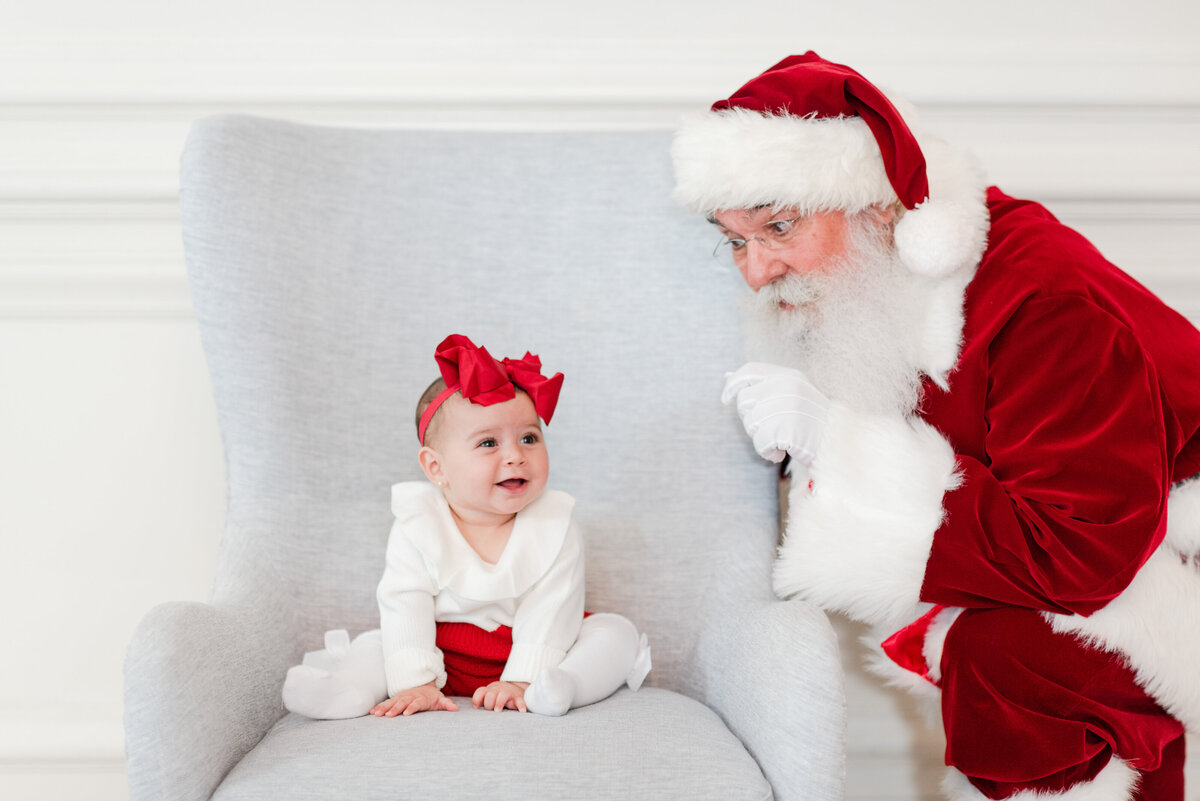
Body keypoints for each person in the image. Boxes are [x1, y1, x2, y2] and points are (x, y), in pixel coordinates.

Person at [672, 52, 1200, 800]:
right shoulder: (886, 277)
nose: (756, 272)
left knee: (1005, 654)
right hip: (1118, 543)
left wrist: (840, 445)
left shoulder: (1043, 305)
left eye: (779, 227)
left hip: (1172, 558)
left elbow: (1083, 549)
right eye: (734, 240)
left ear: (878, 207)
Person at [282, 334, 651, 718]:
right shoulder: (417, 524)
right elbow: (404, 602)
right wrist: (416, 682)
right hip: (439, 655)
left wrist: (524, 678)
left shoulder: (554, 524)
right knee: (378, 643)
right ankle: (350, 690)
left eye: (529, 438)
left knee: (614, 633)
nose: (515, 456)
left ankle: (562, 687)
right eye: (488, 443)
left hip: (539, 649)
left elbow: (554, 607)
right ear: (436, 468)